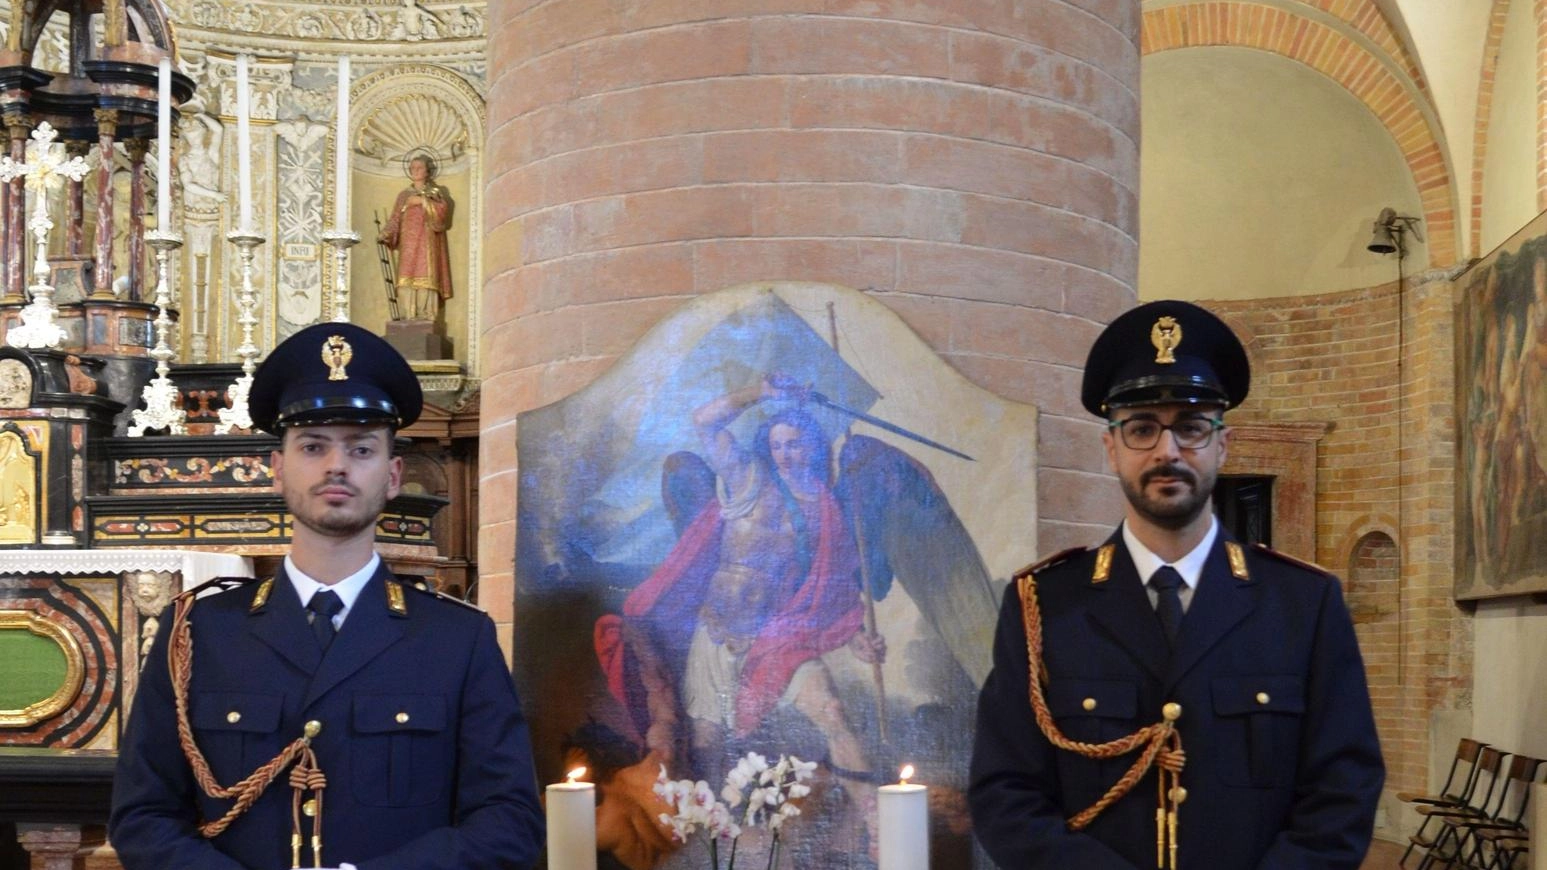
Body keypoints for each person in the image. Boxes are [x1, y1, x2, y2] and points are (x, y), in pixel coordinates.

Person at [109, 322, 544, 870]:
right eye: (313, 446)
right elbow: (142, 816)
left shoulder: (457, 639)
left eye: (360, 448)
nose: (336, 465)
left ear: (392, 475)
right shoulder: (199, 634)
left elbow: (509, 821)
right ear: (278, 469)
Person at [968, 300, 1383, 869]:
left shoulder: (1302, 604)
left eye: (1190, 427)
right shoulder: (1043, 605)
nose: (1168, 451)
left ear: (1222, 444)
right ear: (1110, 448)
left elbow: (1343, 790)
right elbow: (1004, 794)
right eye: (1142, 429)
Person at [377, 154, 453, 321]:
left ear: (427, 171)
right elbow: (395, 218)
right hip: (408, 243)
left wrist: (421, 201)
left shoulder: (434, 192)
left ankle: (425, 314)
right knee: (406, 276)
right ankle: (407, 314)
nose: (415, 171)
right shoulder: (403, 195)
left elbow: (441, 213)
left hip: (427, 241)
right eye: (412, 168)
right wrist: (386, 233)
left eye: (419, 168)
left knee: (425, 275)